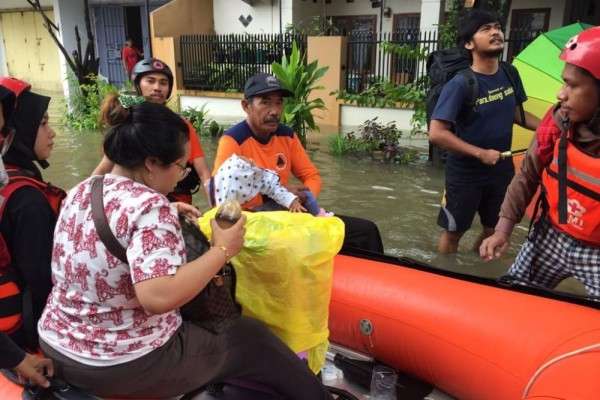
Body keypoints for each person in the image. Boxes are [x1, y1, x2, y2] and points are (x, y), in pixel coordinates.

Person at [37, 96, 333, 399]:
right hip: (122, 363)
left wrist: (167, 209)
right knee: (250, 336)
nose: (182, 175)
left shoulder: (82, 190)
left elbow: (114, 226)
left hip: (57, 346)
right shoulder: (150, 208)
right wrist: (223, 249)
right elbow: (157, 297)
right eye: (180, 166)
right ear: (151, 163)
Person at [480, 27, 600, 297]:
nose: (560, 94)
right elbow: (527, 174)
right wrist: (502, 231)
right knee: (510, 296)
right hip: (550, 235)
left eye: (573, 85)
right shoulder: (558, 120)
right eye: (563, 82)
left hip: (597, 253)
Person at [213, 73, 384, 253]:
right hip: (254, 225)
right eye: (265, 102)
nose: (274, 111)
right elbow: (221, 199)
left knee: (366, 231)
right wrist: (277, 197)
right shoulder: (232, 140)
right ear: (246, 106)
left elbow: (312, 176)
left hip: (290, 215)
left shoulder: (287, 135)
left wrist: (302, 198)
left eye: (279, 103)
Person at [428, 9, 540, 254]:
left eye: (497, 27)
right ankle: (446, 277)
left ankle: (476, 268)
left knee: (495, 228)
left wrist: (549, 127)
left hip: (501, 168)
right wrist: (480, 154)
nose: (496, 32)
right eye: (486, 28)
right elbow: (436, 133)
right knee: (454, 231)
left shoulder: (510, 73)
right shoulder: (460, 84)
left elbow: (515, 112)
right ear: (469, 43)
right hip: (465, 172)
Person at [0, 78, 57, 387]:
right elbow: (43, 279)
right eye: (43, 123)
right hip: (27, 330)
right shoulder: (28, 200)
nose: (52, 133)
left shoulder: (8, 182)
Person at [93, 58, 211, 204]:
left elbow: (203, 172)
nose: (157, 87)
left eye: (163, 82)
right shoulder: (127, 124)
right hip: (134, 202)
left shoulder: (180, 126)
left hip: (175, 200)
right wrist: (85, 196)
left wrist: (215, 208)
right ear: (138, 85)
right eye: (150, 81)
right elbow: (104, 168)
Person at [212, 154, 328, 215]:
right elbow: (274, 189)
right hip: (255, 212)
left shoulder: (221, 187)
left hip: (250, 211)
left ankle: (317, 215)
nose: (251, 160)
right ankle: (318, 216)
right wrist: (292, 201)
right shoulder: (249, 174)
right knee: (306, 195)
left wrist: (291, 200)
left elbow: (311, 175)